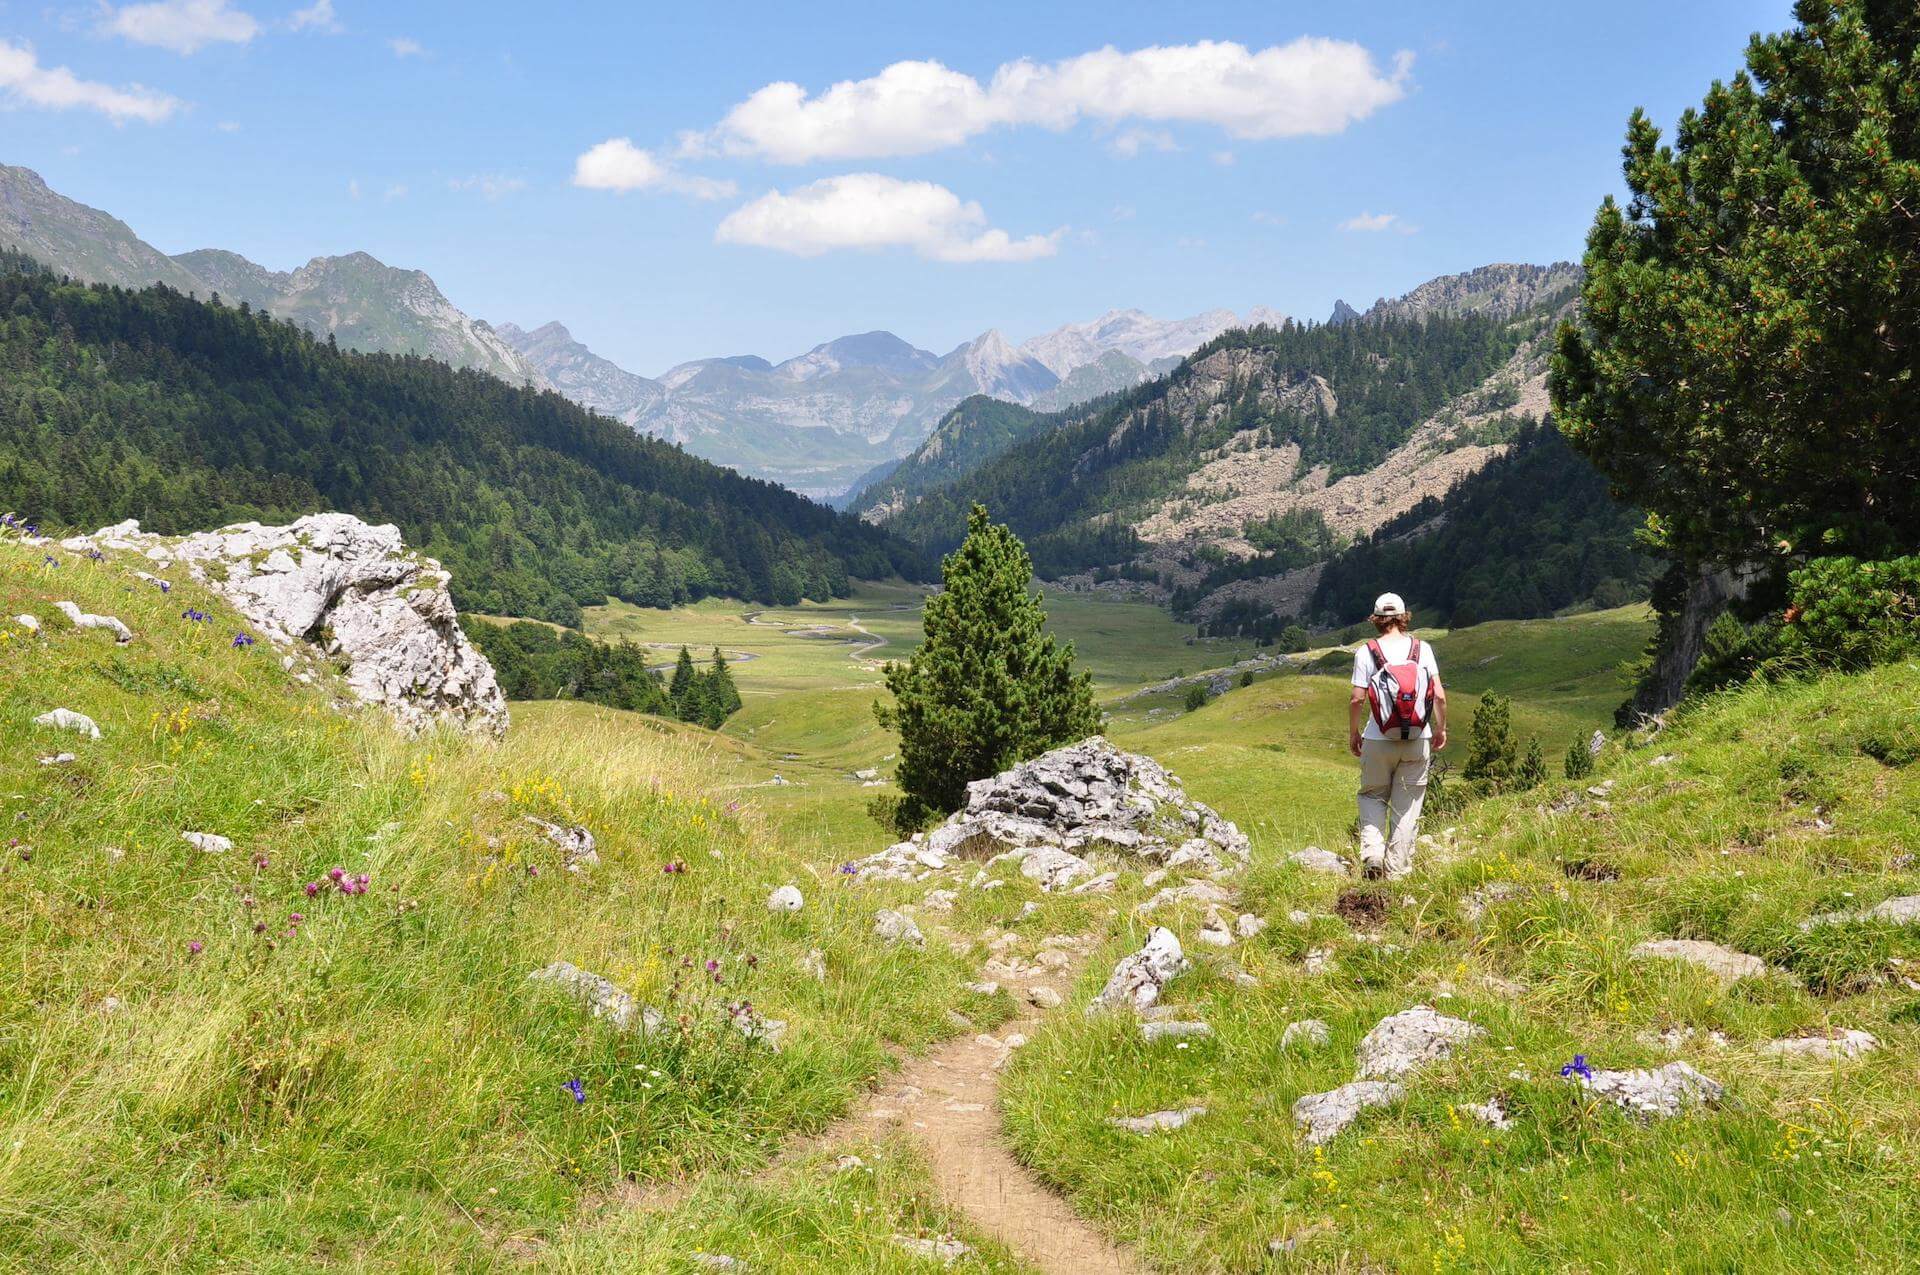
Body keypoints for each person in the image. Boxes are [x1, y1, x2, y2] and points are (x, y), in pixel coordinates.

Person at [1347, 592, 1447, 879]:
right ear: (1404, 617)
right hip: (1417, 739)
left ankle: (1373, 854)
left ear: (1376, 619)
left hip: (1378, 739)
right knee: (1408, 808)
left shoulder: (1366, 651)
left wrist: (1354, 733)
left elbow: (1356, 700)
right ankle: (1398, 873)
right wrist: (1440, 728)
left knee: (1372, 796)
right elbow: (1438, 695)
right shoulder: (1422, 649)